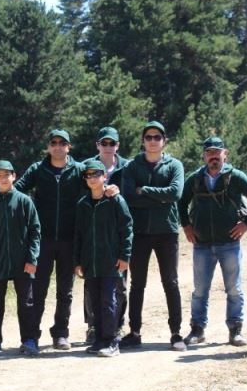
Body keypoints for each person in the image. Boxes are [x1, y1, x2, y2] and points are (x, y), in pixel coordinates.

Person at [178, 137, 247, 347]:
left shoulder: (237, 177)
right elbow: (181, 203)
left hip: (229, 243)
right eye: (209, 153)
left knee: (234, 289)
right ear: (204, 156)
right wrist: (186, 225)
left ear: (225, 154)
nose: (213, 156)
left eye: (217, 152)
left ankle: (235, 331)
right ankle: (197, 330)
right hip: (202, 244)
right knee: (199, 290)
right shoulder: (195, 179)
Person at [14, 129, 84, 350]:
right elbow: (17, 190)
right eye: (53, 142)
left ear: (68, 147)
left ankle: (61, 334)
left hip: (69, 239)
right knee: (38, 289)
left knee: (65, 290)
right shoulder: (38, 169)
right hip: (42, 240)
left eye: (62, 143)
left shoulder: (79, 170)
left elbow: (95, 189)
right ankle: (32, 336)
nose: (57, 146)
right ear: (48, 146)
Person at [120, 121, 187, 351]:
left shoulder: (174, 165)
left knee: (171, 282)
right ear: (143, 140)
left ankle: (176, 333)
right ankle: (134, 331)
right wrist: (159, 196)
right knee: (137, 284)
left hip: (167, 231)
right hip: (139, 232)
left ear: (164, 141)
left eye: (157, 137)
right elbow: (129, 197)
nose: (152, 141)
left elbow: (175, 193)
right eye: (148, 137)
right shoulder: (132, 166)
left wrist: (145, 190)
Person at [0, 160, 40, 358]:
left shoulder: (24, 201)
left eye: (7, 175)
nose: (3, 179)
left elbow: (35, 231)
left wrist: (32, 258)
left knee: (27, 303)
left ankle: (29, 340)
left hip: (23, 262)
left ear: (14, 176)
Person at [73, 160, 133, 358]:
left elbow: (127, 228)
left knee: (109, 301)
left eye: (96, 174)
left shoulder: (116, 200)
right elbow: (78, 235)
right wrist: (78, 261)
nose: (92, 178)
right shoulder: (83, 204)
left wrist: (125, 256)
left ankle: (112, 341)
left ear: (104, 176)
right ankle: (99, 339)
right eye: (88, 175)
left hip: (111, 261)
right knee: (95, 302)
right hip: (91, 263)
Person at [83, 126, 130, 344]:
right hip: (93, 242)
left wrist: (125, 252)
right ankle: (95, 328)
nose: (108, 147)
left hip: (115, 240)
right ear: (98, 145)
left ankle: (116, 329)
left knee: (118, 288)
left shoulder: (127, 168)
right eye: (104, 143)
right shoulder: (86, 167)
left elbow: (128, 215)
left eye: (112, 143)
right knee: (92, 290)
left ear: (118, 145)